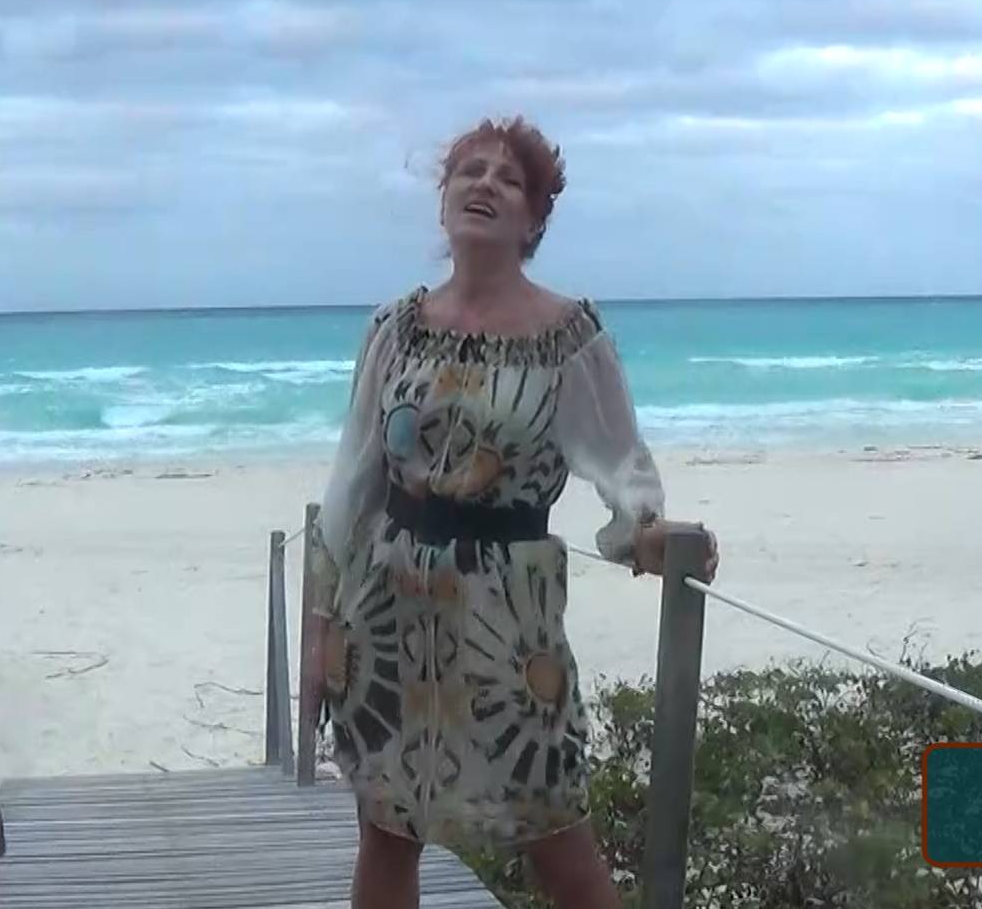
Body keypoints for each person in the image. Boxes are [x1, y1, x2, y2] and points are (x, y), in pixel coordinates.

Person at [304, 115, 720, 909]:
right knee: (387, 834)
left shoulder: (567, 338)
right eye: (469, 171)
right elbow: (352, 480)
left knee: (554, 832)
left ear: (533, 221)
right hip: (384, 617)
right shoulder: (393, 330)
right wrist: (321, 624)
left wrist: (648, 536)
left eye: (508, 178)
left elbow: (621, 464)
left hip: (509, 623)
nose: (485, 184)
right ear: (443, 202)